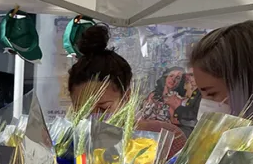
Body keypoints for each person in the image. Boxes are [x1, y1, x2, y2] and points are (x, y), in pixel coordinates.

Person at [67, 25, 186, 156]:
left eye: (103, 109)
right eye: (83, 110)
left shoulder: (168, 138)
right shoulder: (66, 146)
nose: (93, 119)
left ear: (127, 97)